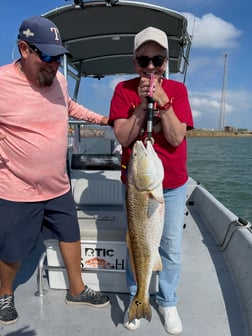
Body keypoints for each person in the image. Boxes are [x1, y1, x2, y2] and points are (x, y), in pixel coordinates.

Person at [0, 16, 110, 325]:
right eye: (47, 56)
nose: (54, 65)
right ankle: (4, 293)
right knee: (12, 249)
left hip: (58, 185)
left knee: (70, 235)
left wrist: (102, 120)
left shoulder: (58, 79)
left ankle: (76, 289)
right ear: (24, 49)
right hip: (16, 187)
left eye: (59, 58)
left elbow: (70, 107)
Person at [109, 26, 194, 334]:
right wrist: (142, 107)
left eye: (157, 59)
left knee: (170, 245)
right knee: (137, 244)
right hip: (136, 186)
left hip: (169, 184)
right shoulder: (123, 90)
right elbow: (122, 136)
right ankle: (137, 297)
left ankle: (168, 301)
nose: (150, 67)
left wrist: (164, 102)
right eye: (143, 61)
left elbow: (175, 136)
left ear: (165, 60)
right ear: (134, 62)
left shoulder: (178, 91)